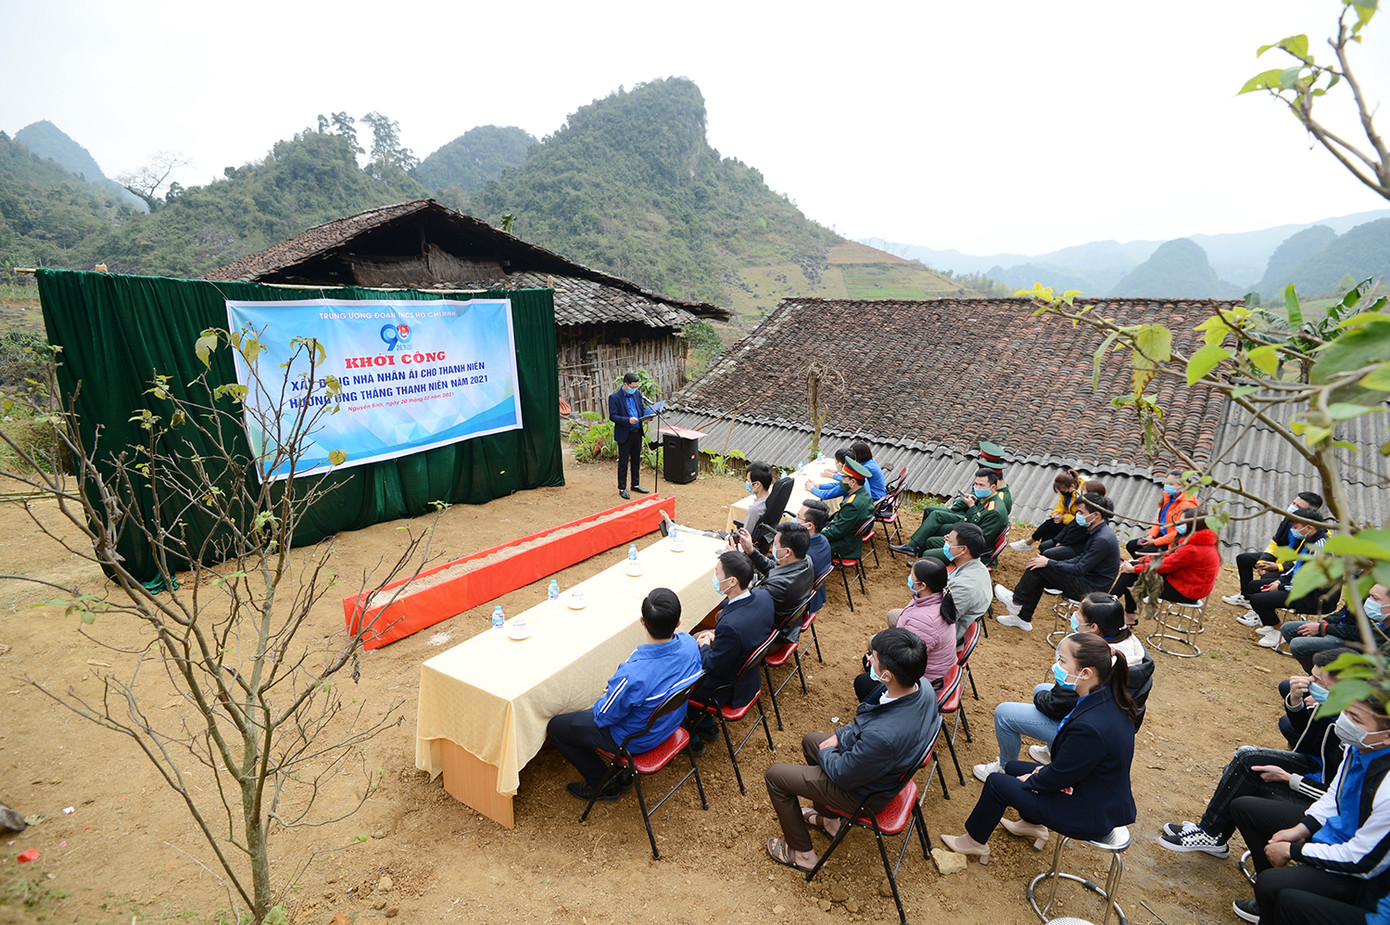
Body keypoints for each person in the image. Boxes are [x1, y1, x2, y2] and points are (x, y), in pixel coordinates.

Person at [941, 632, 1138, 864]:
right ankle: (1032, 824)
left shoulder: (1090, 728)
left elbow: (1062, 775)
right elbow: (1072, 767)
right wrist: (1038, 774)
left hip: (1088, 812)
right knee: (1013, 767)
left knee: (997, 783)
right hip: (1094, 790)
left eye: (1063, 661)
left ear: (1086, 673)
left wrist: (1034, 779)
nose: (1057, 666)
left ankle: (973, 842)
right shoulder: (1107, 698)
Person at [763, 628, 940, 873]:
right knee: (811, 741)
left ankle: (803, 855)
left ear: (887, 675)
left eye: (874, 657)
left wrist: (827, 752)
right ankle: (829, 820)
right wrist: (838, 736)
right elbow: (866, 722)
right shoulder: (923, 686)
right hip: (882, 767)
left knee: (776, 776)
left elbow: (844, 773)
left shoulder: (883, 737)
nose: (869, 659)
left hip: (863, 793)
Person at [1159, 648, 1352, 857]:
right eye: (1311, 676)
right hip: (1314, 767)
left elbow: (1337, 796)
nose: (1309, 683)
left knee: (1246, 766)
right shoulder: (1339, 707)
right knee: (1246, 758)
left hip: (1320, 793)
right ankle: (1212, 832)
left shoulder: (1355, 734)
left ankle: (1211, 833)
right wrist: (1295, 700)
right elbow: (1306, 735)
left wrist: (1289, 778)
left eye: (1318, 681)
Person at [1228, 694, 1390, 924]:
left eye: (1356, 719)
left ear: (1387, 736)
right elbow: (1334, 796)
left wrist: (1293, 851)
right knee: (1245, 808)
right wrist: (1302, 828)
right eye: (1346, 712)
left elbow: (1361, 860)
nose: (1345, 721)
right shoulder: (1359, 748)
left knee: (1276, 889)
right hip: (1334, 835)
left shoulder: (1387, 787)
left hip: (1357, 871)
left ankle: (1274, 898)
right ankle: (1271, 897)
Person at [973, 592, 1153, 780]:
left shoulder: (1095, 659)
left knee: (1005, 714)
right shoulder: (1128, 648)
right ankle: (1053, 753)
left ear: (1093, 627)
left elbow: (1056, 705)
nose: (1074, 615)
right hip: (1110, 726)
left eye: (1079, 613)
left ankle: (1005, 767)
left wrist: (1040, 699)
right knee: (1042, 688)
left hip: (1088, 736)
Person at [546, 588, 703, 801]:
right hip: (670, 725)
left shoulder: (633, 675)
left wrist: (610, 696)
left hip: (635, 740)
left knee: (556, 727)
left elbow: (603, 716)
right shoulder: (690, 644)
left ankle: (604, 784)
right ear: (678, 623)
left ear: (642, 621)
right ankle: (623, 773)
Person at [684, 552, 777, 750]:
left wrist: (705, 644)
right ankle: (705, 722)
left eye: (717, 573)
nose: (715, 578)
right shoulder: (764, 597)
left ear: (732, 581)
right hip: (748, 676)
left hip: (727, 689)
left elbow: (712, 665)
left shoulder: (730, 628)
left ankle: (688, 732)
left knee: (677, 678)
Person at [995, 493, 1121, 632]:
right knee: (1040, 567)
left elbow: (1080, 568)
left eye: (1080, 512)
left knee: (1040, 568)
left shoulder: (1102, 538)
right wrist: (1050, 562)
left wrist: (1049, 563)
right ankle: (1022, 617)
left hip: (1091, 589)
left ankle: (1016, 601)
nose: (1077, 515)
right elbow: (1081, 559)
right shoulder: (1098, 531)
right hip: (1086, 579)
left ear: (1096, 515)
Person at [1235, 510, 1340, 645]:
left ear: (1309, 527)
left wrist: (1279, 587)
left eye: (1295, 527)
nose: (1292, 530)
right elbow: (1295, 569)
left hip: (1314, 596)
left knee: (1257, 599)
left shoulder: (1321, 549)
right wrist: (1280, 580)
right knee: (1254, 586)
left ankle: (1280, 631)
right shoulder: (1310, 541)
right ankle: (1271, 622)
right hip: (1299, 586)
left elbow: (1310, 584)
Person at [856, 557, 953, 698]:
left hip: (922, 681)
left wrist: (879, 662)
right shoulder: (935, 597)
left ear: (923, 585)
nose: (909, 578)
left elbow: (907, 659)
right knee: (873, 655)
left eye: (911, 576)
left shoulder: (924, 621)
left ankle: (884, 709)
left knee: (863, 679)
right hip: (932, 667)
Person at [1113, 507, 1221, 626]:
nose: (1178, 525)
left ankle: (1108, 603)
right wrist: (1136, 561)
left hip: (1186, 590)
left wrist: (1134, 568)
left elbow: (1164, 565)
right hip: (1186, 581)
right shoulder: (1200, 540)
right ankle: (1116, 605)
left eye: (1182, 522)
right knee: (1133, 570)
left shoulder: (1193, 548)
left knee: (1132, 577)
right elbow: (1167, 557)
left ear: (1193, 525)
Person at [1225, 492, 1325, 608]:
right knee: (1244, 559)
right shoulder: (1289, 519)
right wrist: (1262, 561)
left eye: (1298, 507)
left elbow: (1302, 562)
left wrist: (1278, 567)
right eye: (1293, 503)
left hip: (1292, 567)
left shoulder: (1317, 536)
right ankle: (1246, 597)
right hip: (1280, 558)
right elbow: (1275, 542)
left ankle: (1262, 604)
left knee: (1267, 577)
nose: (1293, 507)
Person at [891, 468, 1008, 560]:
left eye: (981, 485)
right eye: (975, 484)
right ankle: (920, 556)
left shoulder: (995, 512)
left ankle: (925, 564)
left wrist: (954, 539)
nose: (977, 488)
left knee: (930, 543)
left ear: (993, 487)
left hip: (968, 547)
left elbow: (980, 540)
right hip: (966, 528)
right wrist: (975, 502)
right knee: (934, 528)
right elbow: (979, 517)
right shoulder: (988, 499)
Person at [735, 521, 815, 644]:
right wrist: (751, 551)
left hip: (770, 637)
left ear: (787, 552)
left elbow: (744, 599)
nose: (773, 546)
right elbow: (775, 568)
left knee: (723, 611)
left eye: (776, 543)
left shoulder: (778, 586)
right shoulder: (805, 561)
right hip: (788, 627)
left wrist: (732, 565)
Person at [1277, 584, 1390, 670]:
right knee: (1289, 629)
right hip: (1341, 629)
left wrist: (1324, 628)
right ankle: (1319, 674)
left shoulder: (1382, 615)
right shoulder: (1367, 585)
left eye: (1374, 598)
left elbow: (1361, 633)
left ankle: (1323, 680)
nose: (1369, 600)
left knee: (1298, 645)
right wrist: (1325, 623)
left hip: (1352, 640)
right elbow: (1345, 611)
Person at [940, 522, 993, 644]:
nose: (945, 543)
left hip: (944, 638)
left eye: (949, 542)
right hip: (949, 624)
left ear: (963, 549)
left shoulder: (964, 586)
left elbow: (940, 620)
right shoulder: (977, 567)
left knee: (895, 619)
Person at [1126, 468, 1198, 558]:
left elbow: (1179, 533)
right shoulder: (1169, 498)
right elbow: (1160, 520)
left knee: (1141, 554)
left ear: (1183, 486)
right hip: (1162, 535)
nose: (1167, 486)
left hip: (1172, 542)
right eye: (1167, 483)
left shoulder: (1187, 505)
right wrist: (1151, 536)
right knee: (1131, 545)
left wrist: (1155, 542)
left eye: (1171, 484)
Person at [1010, 469, 1080, 552]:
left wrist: (1063, 518)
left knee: (1049, 524)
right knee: (1049, 531)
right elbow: (1060, 506)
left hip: (1076, 527)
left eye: (1063, 491)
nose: (1062, 493)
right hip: (1066, 522)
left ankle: (1028, 542)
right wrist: (1056, 514)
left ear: (1072, 486)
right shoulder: (1066, 493)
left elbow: (1080, 517)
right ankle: (1043, 554)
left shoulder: (1081, 495)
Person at [820, 458, 874, 560]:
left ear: (853, 482)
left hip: (843, 544)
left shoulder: (852, 505)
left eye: (844, 478)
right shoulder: (865, 495)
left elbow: (836, 532)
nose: (842, 481)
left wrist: (818, 534)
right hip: (850, 536)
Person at [1041, 478, 1107, 560]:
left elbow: (1079, 534)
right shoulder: (1083, 507)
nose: (1079, 492)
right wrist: (1058, 540)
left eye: (1083, 490)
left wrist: (1062, 543)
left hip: (1077, 547)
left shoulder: (1093, 515)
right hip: (1068, 541)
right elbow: (1071, 526)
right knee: (1044, 545)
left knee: (1049, 553)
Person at [607, 372, 649, 500]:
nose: (634, 389)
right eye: (633, 386)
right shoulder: (614, 397)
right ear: (625, 385)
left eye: (636, 387)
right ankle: (622, 487)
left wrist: (647, 416)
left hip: (637, 433)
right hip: (625, 434)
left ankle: (635, 484)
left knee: (636, 460)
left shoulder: (637, 394)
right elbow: (612, 416)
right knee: (624, 462)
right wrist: (627, 420)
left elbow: (641, 409)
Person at [806, 441, 887, 502]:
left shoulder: (864, 470)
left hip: (875, 497)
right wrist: (818, 485)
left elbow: (826, 495)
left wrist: (812, 488)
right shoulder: (862, 468)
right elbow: (839, 484)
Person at [798, 500, 833, 615]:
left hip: (800, 603)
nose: (795, 520)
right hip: (813, 595)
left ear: (809, 526)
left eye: (798, 517)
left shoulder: (803, 556)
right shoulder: (823, 540)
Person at [740, 461, 775, 540]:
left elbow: (745, 537)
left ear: (757, 484)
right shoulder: (772, 500)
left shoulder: (755, 510)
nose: (747, 484)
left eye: (748, 481)